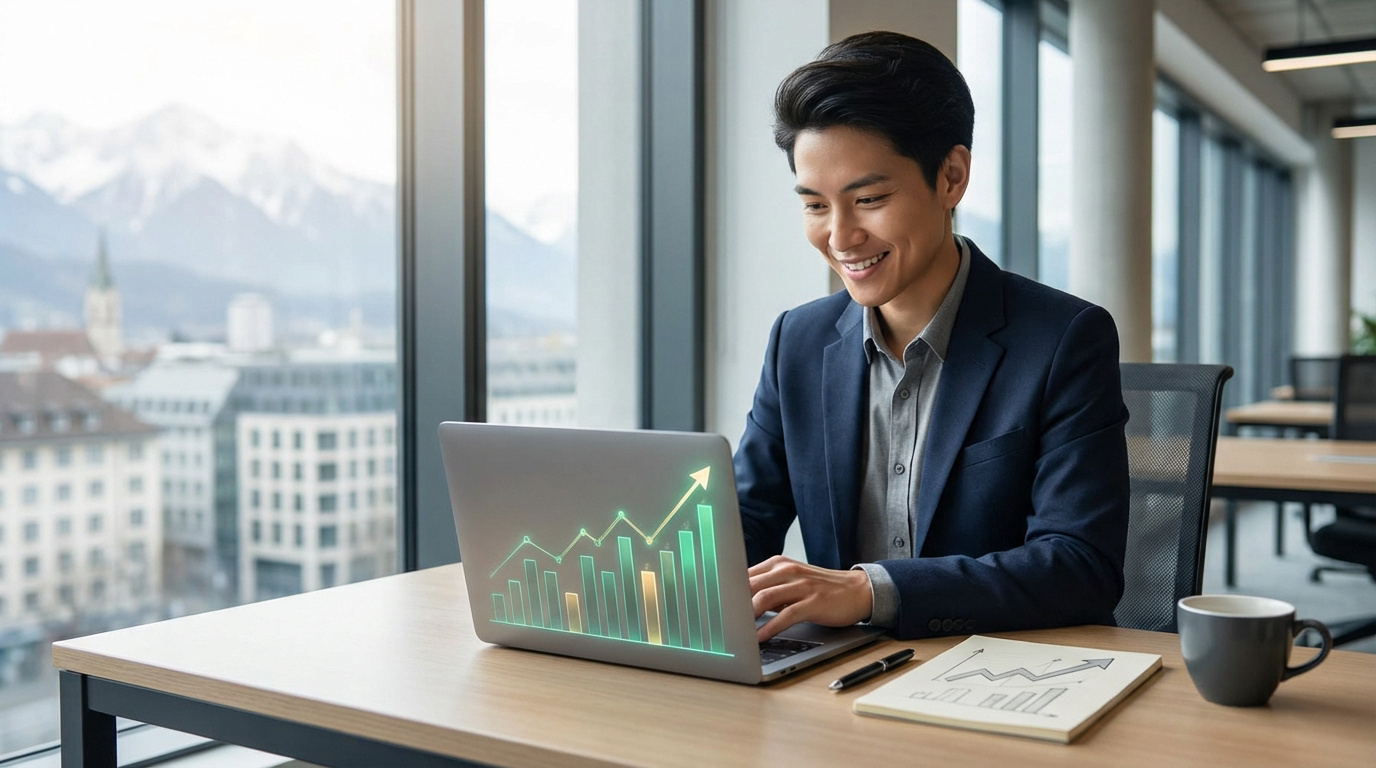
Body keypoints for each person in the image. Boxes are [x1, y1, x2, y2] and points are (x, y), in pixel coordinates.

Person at [736, 31, 1130, 642]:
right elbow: (745, 521)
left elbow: (1081, 565)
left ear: (951, 177)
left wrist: (869, 591)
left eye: (869, 199)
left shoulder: (1064, 340)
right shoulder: (799, 341)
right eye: (815, 206)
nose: (840, 237)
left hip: (1000, 679)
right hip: (838, 680)